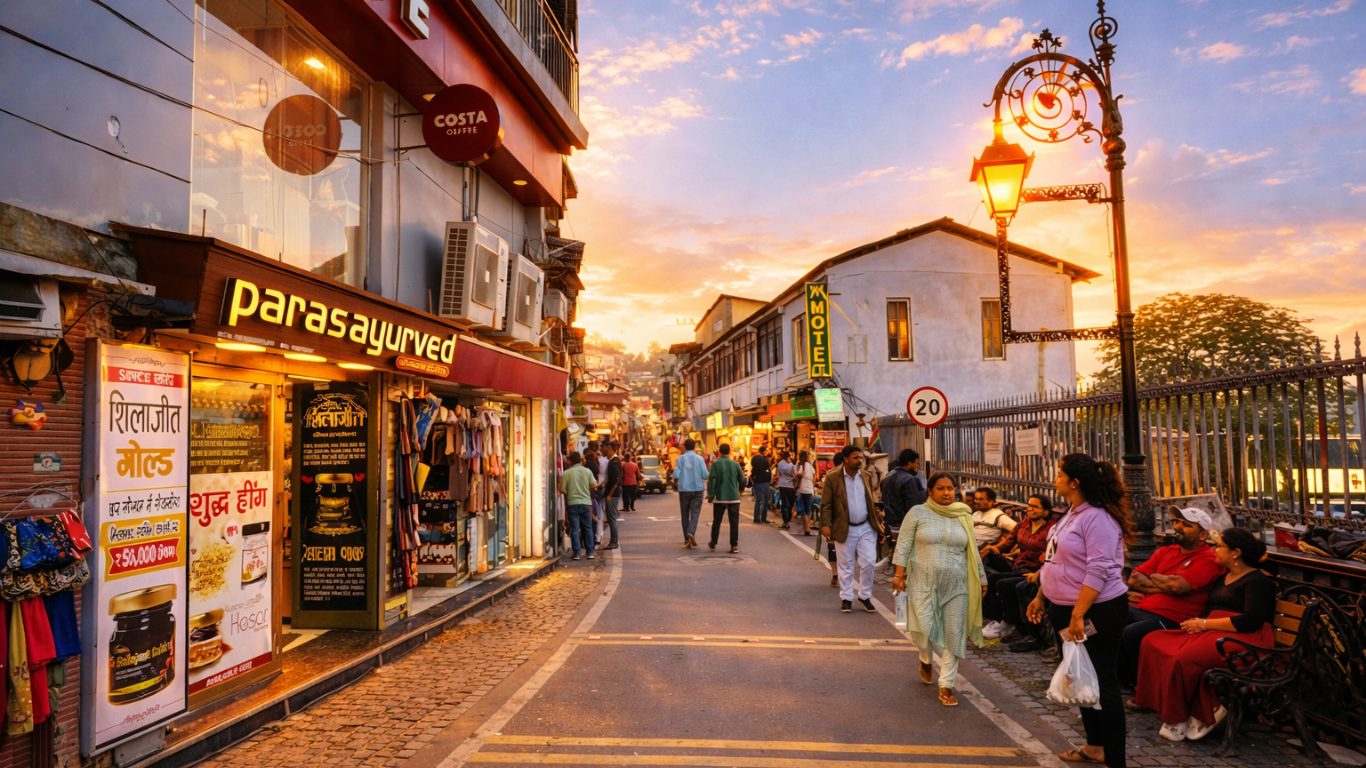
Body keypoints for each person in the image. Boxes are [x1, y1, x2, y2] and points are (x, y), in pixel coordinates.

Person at [1026, 453, 1133, 768]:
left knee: (1103, 681)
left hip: (1096, 611)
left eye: (1059, 474)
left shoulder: (1097, 518)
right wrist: (1041, 596)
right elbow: (1056, 560)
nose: (1054, 478)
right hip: (1066, 608)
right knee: (1079, 675)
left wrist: (1077, 615)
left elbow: (1098, 570)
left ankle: (1115, 759)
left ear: (1074, 482)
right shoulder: (1071, 513)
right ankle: (1095, 745)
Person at [1134, 528, 1275, 742]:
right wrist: (1200, 623)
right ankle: (1196, 709)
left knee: (1182, 657)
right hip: (1214, 631)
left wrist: (1205, 624)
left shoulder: (1257, 581)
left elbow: (1251, 621)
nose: (1213, 549)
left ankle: (1182, 716)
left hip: (1245, 638)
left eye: (1219, 546)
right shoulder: (1223, 577)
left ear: (1235, 553)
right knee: (1152, 640)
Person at [891, 471, 986, 708]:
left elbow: (972, 550)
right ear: (930, 492)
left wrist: (981, 578)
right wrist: (899, 574)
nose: (947, 492)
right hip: (922, 582)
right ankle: (925, 657)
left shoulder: (963, 515)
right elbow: (903, 544)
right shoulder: (918, 513)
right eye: (941, 488)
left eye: (950, 488)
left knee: (954, 633)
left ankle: (946, 684)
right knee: (923, 628)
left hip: (957, 583)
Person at [1119, 506, 1225, 689]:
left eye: (1185, 524)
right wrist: (1164, 585)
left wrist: (1152, 576)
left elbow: (1176, 587)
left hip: (1173, 619)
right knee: (1109, 614)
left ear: (1202, 535)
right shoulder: (1165, 551)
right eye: (1176, 522)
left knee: (1133, 632)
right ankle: (1118, 679)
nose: (1177, 526)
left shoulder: (1207, 560)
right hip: (1145, 608)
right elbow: (1135, 580)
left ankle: (1144, 688)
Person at [982, 495, 1058, 643]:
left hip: (1035, 571)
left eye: (1035, 507)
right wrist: (992, 549)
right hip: (1019, 567)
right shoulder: (1023, 525)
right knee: (991, 579)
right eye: (1029, 505)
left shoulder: (1051, 529)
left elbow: (1049, 556)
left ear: (1046, 511)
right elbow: (1007, 543)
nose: (1030, 509)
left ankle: (1016, 626)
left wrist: (1038, 572)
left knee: (1005, 584)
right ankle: (1002, 620)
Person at [819, 445, 885, 614]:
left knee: (869, 562)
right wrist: (825, 524)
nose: (860, 461)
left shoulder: (866, 476)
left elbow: (872, 501)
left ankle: (864, 596)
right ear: (846, 459)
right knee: (846, 565)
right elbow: (826, 504)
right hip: (844, 527)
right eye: (856, 458)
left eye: (861, 458)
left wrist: (878, 518)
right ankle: (847, 598)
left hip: (866, 526)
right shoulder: (833, 478)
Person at [706, 443, 743, 552]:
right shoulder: (735, 464)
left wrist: (711, 494)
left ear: (719, 451)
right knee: (734, 522)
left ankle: (713, 541)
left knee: (717, 521)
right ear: (730, 451)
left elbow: (712, 479)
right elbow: (742, 479)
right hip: (734, 497)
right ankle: (734, 545)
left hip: (719, 497)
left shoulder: (715, 464)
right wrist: (740, 491)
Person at [559, 451, 596, 560]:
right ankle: (590, 552)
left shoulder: (567, 473)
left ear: (570, 461)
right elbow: (594, 485)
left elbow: (562, 489)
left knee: (574, 528)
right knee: (588, 527)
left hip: (572, 503)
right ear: (580, 460)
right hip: (586, 503)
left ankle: (577, 553)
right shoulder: (588, 471)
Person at [674, 439, 709, 548]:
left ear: (684, 447)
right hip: (697, 489)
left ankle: (686, 539)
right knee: (695, 513)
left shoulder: (680, 459)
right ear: (694, 447)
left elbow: (676, 475)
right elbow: (705, 475)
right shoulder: (700, 459)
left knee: (685, 514)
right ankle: (691, 533)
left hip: (684, 490)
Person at [973, 488, 1017, 573]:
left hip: (985, 552)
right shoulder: (975, 514)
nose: (977, 501)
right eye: (976, 499)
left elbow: (1018, 529)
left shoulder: (999, 516)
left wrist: (1001, 544)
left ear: (991, 501)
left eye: (981, 499)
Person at [880, 449, 927, 529]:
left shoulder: (886, 478)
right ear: (909, 463)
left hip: (889, 525)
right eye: (917, 463)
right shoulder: (910, 480)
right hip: (904, 527)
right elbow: (914, 507)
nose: (918, 467)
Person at [600, 442, 624, 550]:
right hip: (612, 493)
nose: (601, 451)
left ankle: (614, 541)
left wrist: (609, 494)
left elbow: (616, 480)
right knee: (610, 518)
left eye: (602, 448)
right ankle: (613, 540)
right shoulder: (613, 460)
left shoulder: (614, 461)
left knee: (611, 518)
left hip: (613, 494)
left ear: (609, 448)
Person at [794, 450, 817, 535]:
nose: (811, 457)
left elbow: (797, 474)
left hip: (801, 488)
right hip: (807, 489)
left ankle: (805, 527)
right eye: (810, 456)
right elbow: (803, 474)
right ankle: (807, 529)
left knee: (804, 509)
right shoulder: (807, 465)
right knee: (808, 509)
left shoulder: (799, 464)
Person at [750, 447, 773, 525]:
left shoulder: (754, 459)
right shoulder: (764, 460)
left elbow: (752, 472)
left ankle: (756, 518)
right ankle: (763, 518)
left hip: (757, 482)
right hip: (765, 482)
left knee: (758, 500)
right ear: (764, 451)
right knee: (765, 500)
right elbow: (768, 469)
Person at [775, 451, 797, 530]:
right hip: (790, 486)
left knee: (784, 503)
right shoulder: (791, 465)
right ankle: (788, 518)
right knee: (790, 503)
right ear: (787, 457)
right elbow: (794, 475)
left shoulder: (780, 464)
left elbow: (779, 474)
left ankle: (785, 521)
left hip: (782, 485)